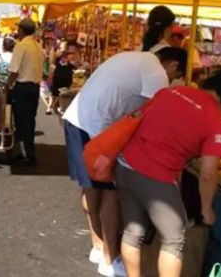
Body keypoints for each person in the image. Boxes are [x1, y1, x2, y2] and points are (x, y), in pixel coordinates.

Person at [62, 47, 188, 277]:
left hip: (78, 118)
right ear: (172, 65)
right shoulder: (157, 73)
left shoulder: (137, 58)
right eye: (175, 76)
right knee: (109, 192)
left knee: (91, 187)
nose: (171, 80)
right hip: (95, 127)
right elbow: (158, 114)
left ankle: (98, 247)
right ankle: (110, 260)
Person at [117, 66, 221, 277]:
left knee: (133, 232)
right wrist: (207, 209)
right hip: (155, 176)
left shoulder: (170, 91)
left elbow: (143, 119)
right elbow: (208, 173)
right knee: (174, 240)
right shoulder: (217, 121)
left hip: (124, 164)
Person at [6, 19, 44, 166]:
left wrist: (7, 86)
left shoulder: (21, 46)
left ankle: (25, 153)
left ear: (21, 30)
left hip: (22, 87)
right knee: (30, 120)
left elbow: (14, 71)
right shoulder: (38, 46)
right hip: (35, 87)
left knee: (22, 121)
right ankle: (29, 151)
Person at [49, 43, 80, 115]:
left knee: (62, 94)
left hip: (66, 81)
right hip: (58, 80)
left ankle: (55, 106)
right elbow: (52, 63)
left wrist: (76, 55)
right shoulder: (57, 59)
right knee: (55, 94)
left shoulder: (70, 61)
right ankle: (53, 106)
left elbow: (76, 65)